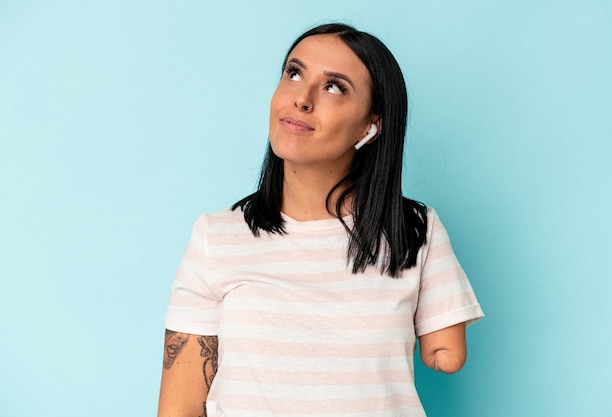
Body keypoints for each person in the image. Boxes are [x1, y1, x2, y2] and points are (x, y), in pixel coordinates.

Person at [157, 23, 484, 417]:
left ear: (371, 126)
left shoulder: (414, 228)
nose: (302, 99)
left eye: (334, 87)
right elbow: (178, 408)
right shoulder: (217, 235)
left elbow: (446, 354)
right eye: (294, 74)